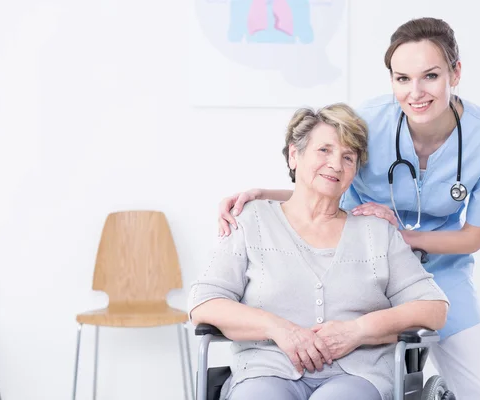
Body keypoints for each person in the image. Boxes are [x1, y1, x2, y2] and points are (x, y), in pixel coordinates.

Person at [217, 18, 480, 400]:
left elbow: (472, 237)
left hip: (438, 266)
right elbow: (323, 178)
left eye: (431, 76)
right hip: (356, 260)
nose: (415, 92)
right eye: (402, 78)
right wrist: (263, 193)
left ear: (455, 73)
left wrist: (395, 236)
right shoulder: (367, 122)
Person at [190, 103, 449, 400]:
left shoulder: (376, 232)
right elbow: (204, 302)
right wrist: (278, 328)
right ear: (294, 155)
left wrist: (358, 330)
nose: (336, 164)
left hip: (358, 374)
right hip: (265, 370)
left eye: (348, 157)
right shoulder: (252, 221)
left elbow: (433, 307)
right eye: (324, 150)